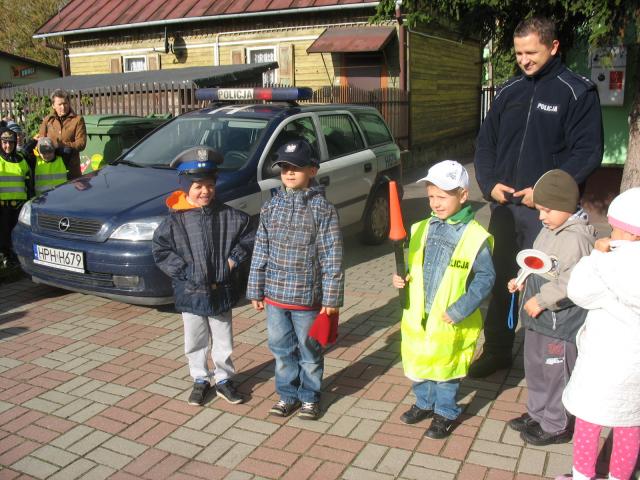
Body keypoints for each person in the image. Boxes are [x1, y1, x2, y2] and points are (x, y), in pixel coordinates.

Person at [471, 16, 603, 378]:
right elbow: (485, 144)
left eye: (531, 52)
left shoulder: (577, 92)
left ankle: (548, 361)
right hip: (505, 208)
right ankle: (497, 350)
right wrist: (488, 183)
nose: (524, 60)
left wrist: (543, 194)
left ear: (553, 47)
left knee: (545, 284)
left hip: (547, 215)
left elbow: (588, 152)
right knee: (501, 279)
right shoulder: (508, 91)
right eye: (518, 53)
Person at [393, 160, 495, 439]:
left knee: (446, 368)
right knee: (419, 361)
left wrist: (460, 309)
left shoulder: (474, 236)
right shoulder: (422, 228)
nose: (435, 203)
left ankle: (446, 412)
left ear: (463, 195)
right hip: (420, 314)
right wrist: (402, 278)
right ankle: (425, 403)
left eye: (442, 196)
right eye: (431, 196)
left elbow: (486, 278)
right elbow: (415, 266)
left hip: (451, 318)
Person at [247, 139, 344, 420]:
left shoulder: (323, 209)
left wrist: (331, 298)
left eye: (297, 167)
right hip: (275, 296)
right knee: (281, 350)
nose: (289, 173)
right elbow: (261, 249)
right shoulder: (270, 207)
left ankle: (310, 397)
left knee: (309, 351)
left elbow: (332, 256)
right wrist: (255, 289)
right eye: (284, 167)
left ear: (312, 170)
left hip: (307, 298)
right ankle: (287, 395)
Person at [152, 147, 255, 406]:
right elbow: (161, 251)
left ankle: (224, 379)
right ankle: (200, 378)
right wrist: (186, 271)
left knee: (223, 339)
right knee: (195, 340)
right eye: (198, 186)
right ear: (186, 187)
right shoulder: (174, 221)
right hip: (190, 292)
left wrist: (232, 260)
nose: (205, 191)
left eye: (210, 185)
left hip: (222, 289)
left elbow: (250, 236)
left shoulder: (230, 216)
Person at [505, 170, 595, 446]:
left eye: (547, 210)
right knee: (535, 367)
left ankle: (556, 424)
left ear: (566, 206)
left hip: (559, 322)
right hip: (538, 319)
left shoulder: (577, 239)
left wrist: (542, 300)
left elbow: (572, 282)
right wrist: (521, 279)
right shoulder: (549, 229)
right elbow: (534, 263)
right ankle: (538, 413)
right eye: (540, 209)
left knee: (556, 373)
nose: (541, 216)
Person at [556, 188, 640, 480]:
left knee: (589, 422)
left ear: (632, 235)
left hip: (603, 363)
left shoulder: (610, 263)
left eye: (615, 229)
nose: (611, 234)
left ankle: (583, 476)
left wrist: (595, 256)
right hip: (635, 370)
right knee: (630, 426)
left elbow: (579, 292)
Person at [39, 89, 86, 180]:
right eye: (59, 104)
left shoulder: (77, 120)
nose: (63, 107)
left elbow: (81, 144)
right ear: (53, 105)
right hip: (51, 169)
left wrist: (62, 145)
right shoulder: (48, 120)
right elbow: (41, 140)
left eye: (65, 103)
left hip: (71, 170)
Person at [0, 128, 31, 265]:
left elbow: (28, 183)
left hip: (19, 206)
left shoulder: (21, 160)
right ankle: (5, 256)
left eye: (11, 143)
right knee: (3, 234)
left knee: (16, 233)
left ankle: (15, 256)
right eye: (4, 142)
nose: (8, 146)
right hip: (3, 207)